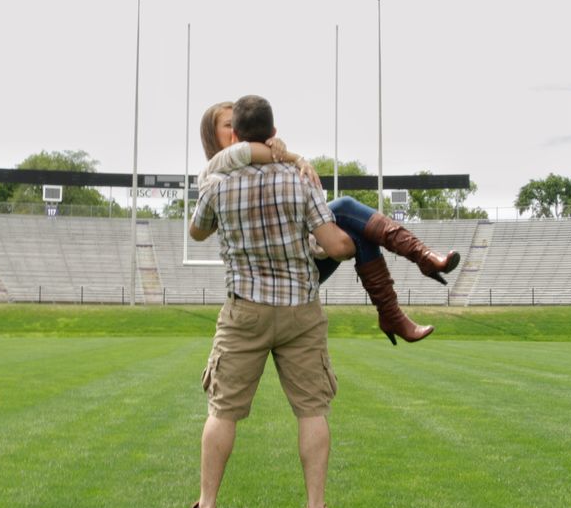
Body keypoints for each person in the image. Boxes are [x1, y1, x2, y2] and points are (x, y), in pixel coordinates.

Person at [187, 95, 355, 508]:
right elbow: (334, 245)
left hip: (245, 310)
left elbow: (197, 231)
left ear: (237, 138)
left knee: (222, 410)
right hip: (300, 310)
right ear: (274, 134)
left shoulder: (217, 185)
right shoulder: (299, 180)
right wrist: (356, 244)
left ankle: (206, 505)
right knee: (312, 410)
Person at [197, 100, 461, 344]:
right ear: (213, 135)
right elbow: (246, 153)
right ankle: (407, 283)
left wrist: (283, 153)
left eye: (237, 124)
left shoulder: (262, 165)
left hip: (295, 265)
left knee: (357, 227)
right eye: (229, 125)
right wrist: (292, 156)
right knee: (347, 210)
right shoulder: (214, 175)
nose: (236, 131)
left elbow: (253, 154)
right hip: (273, 275)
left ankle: (398, 300)